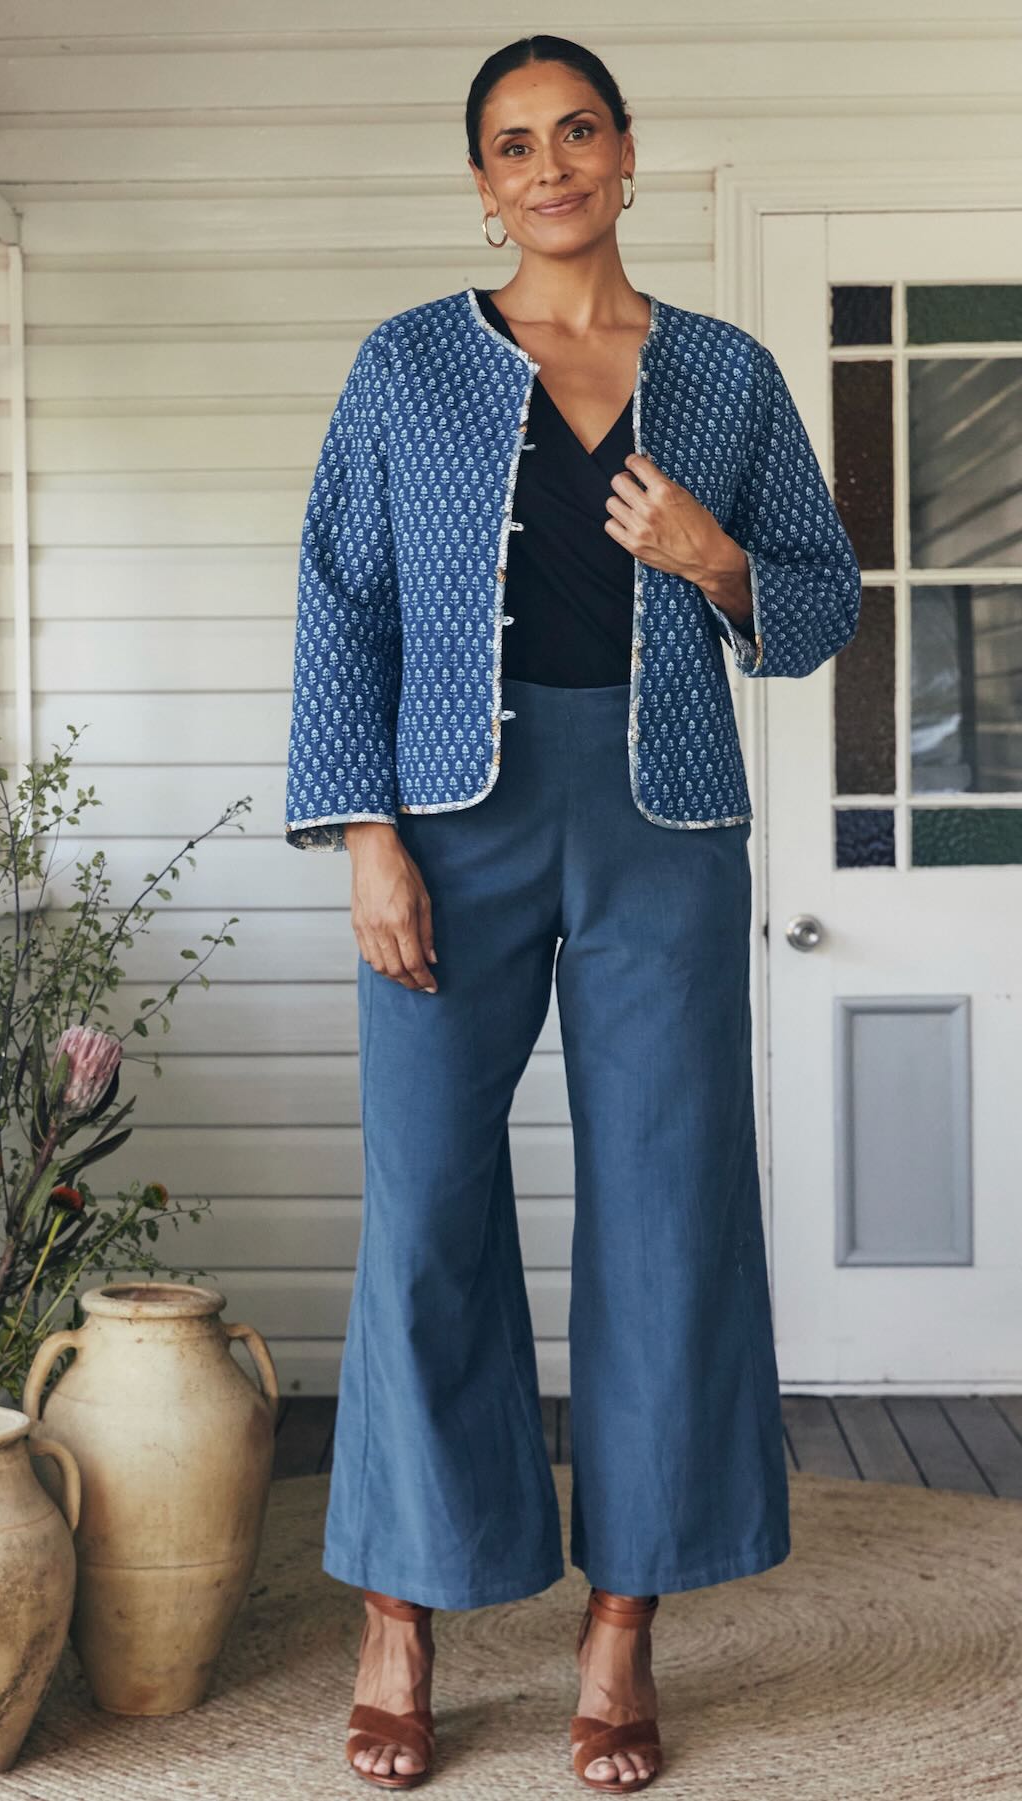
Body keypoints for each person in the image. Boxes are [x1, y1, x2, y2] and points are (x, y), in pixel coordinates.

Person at [283, 33, 860, 1795]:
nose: (550, 167)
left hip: (661, 819)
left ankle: (623, 1624)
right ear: (482, 183)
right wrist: (368, 837)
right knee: (427, 1208)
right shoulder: (407, 366)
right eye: (515, 143)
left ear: (625, 153)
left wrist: (714, 558)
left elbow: (823, 598)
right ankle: (404, 1611)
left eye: (578, 131)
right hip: (449, 826)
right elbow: (341, 597)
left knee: (668, 1212)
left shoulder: (728, 374)